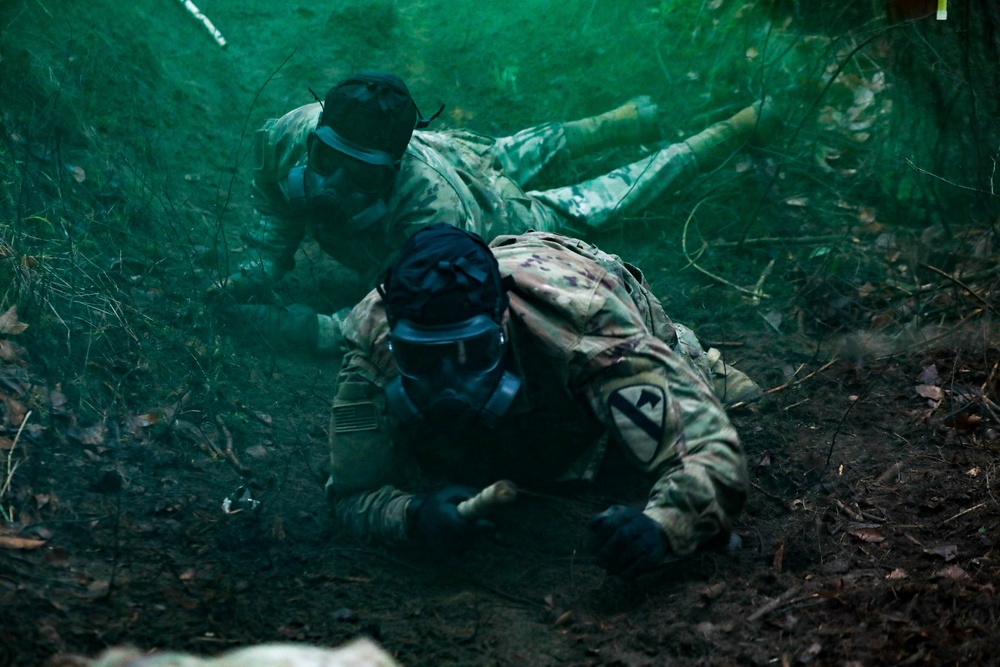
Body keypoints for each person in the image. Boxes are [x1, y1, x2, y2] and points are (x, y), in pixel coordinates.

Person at [216, 71, 777, 354]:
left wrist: (312, 329)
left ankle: (723, 134)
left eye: (357, 173)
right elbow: (274, 198)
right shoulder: (292, 132)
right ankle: (626, 119)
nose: (330, 184)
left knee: (598, 200)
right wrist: (261, 265)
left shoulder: (433, 214)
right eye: (327, 159)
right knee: (506, 149)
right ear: (317, 133)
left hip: (491, 213)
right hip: (449, 152)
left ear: (388, 169)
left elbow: (415, 309)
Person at [324, 223, 757, 580]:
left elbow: (708, 451)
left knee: (712, 400)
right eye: (423, 358)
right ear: (397, 340)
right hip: (517, 283)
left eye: (471, 354)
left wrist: (663, 525)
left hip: (587, 284)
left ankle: (689, 352)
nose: (449, 384)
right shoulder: (374, 341)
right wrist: (413, 516)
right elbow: (351, 493)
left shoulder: (586, 330)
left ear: (501, 327)